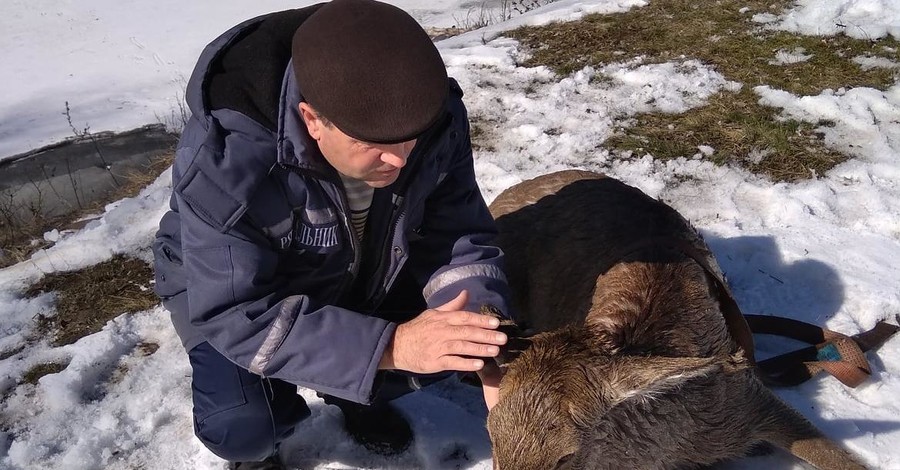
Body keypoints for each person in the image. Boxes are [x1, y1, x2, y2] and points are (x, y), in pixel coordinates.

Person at [151, 0, 512, 468]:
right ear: (312, 119)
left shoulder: (430, 115)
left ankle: (356, 393)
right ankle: (267, 444)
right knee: (242, 426)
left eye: (410, 138)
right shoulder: (227, 161)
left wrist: (484, 333)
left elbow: (457, 231)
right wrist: (392, 346)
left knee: (452, 341)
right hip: (230, 286)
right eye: (373, 144)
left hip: (366, 263)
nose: (400, 160)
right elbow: (236, 311)